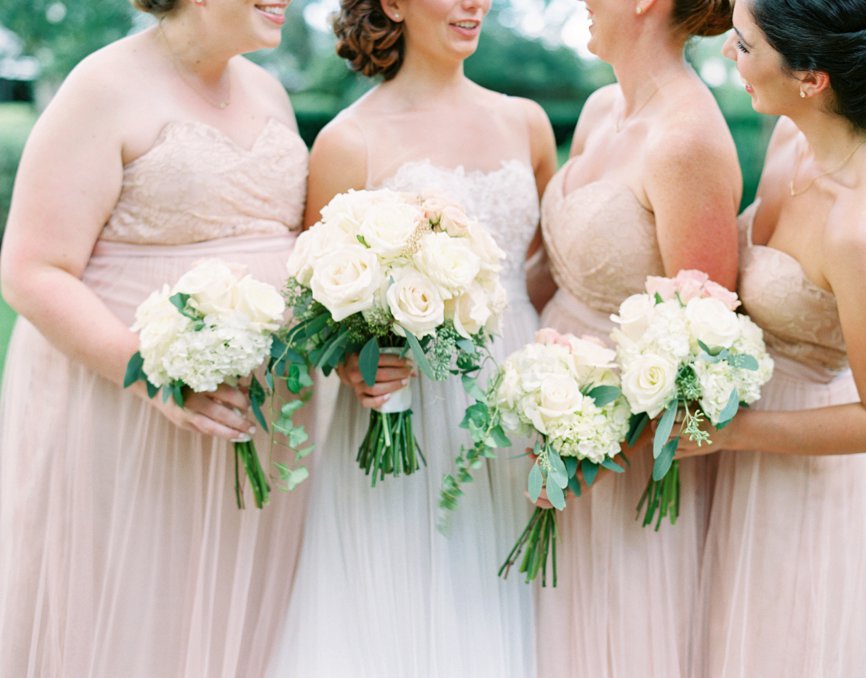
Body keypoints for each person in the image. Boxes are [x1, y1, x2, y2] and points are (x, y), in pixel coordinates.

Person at [0, 1, 312, 676]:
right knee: (135, 619)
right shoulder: (103, 87)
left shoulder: (268, 88)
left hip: (255, 423)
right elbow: (31, 270)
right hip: (126, 414)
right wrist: (151, 374)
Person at [266, 1, 557, 676]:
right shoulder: (349, 140)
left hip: (515, 402)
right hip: (406, 411)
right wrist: (352, 367)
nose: (472, 5)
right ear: (393, 4)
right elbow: (316, 306)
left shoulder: (527, 122)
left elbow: (545, 268)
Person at [678, 0, 866, 675]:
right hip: (729, 440)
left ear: (811, 77)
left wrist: (738, 433)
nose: (725, 54)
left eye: (743, 45)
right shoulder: (789, 138)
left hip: (798, 476)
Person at [530, 0, 741, 675]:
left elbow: (700, 357)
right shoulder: (599, 109)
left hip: (611, 457)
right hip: (541, 411)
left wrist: (589, 443)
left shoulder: (686, 142)